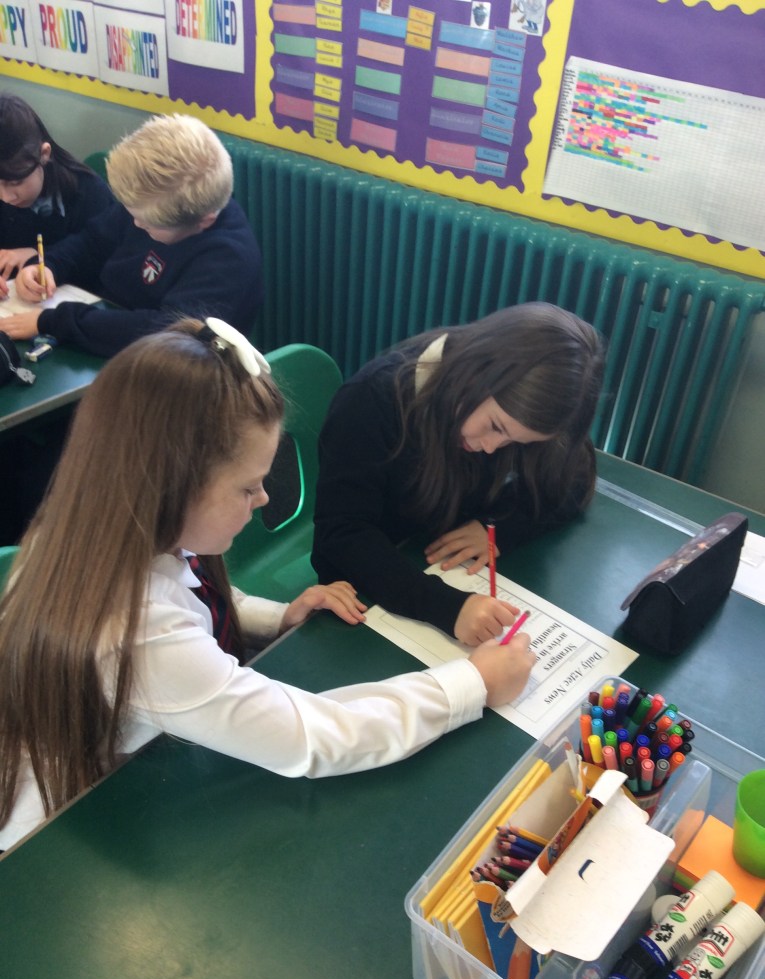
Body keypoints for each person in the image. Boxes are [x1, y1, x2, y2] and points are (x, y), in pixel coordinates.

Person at [0, 317, 535, 852]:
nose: (263, 500)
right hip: (61, 836)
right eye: (249, 487)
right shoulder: (138, 634)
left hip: (119, 772)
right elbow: (315, 737)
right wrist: (473, 684)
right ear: (170, 486)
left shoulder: (103, 526)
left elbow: (192, 591)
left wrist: (275, 617)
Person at [311, 302, 605, 647]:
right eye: (496, 427)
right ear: (475, 374)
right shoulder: (371, 400)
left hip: (440, 561)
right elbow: (342, 534)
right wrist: (448, 607)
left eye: (515, 442)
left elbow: (574, 476)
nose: (492, 447)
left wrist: (499, 529)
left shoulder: (525, 409)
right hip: (361, 597)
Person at [0, 113, 262, 357]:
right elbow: (92, 242)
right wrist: (48, 266)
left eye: (147, 225)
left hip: (173, 369)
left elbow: (167, 332)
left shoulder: (228, 259)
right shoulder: (151, 202)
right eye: (131, 212)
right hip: (106, 331)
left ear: (205, 221)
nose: (135, 223)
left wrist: (55, 321)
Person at [0, 93, 115, 289]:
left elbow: (99, 258)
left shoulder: (88, 193)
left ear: (44, 154)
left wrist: (37, 256)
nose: (6, 197)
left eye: (16, 182)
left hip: (69, 297)